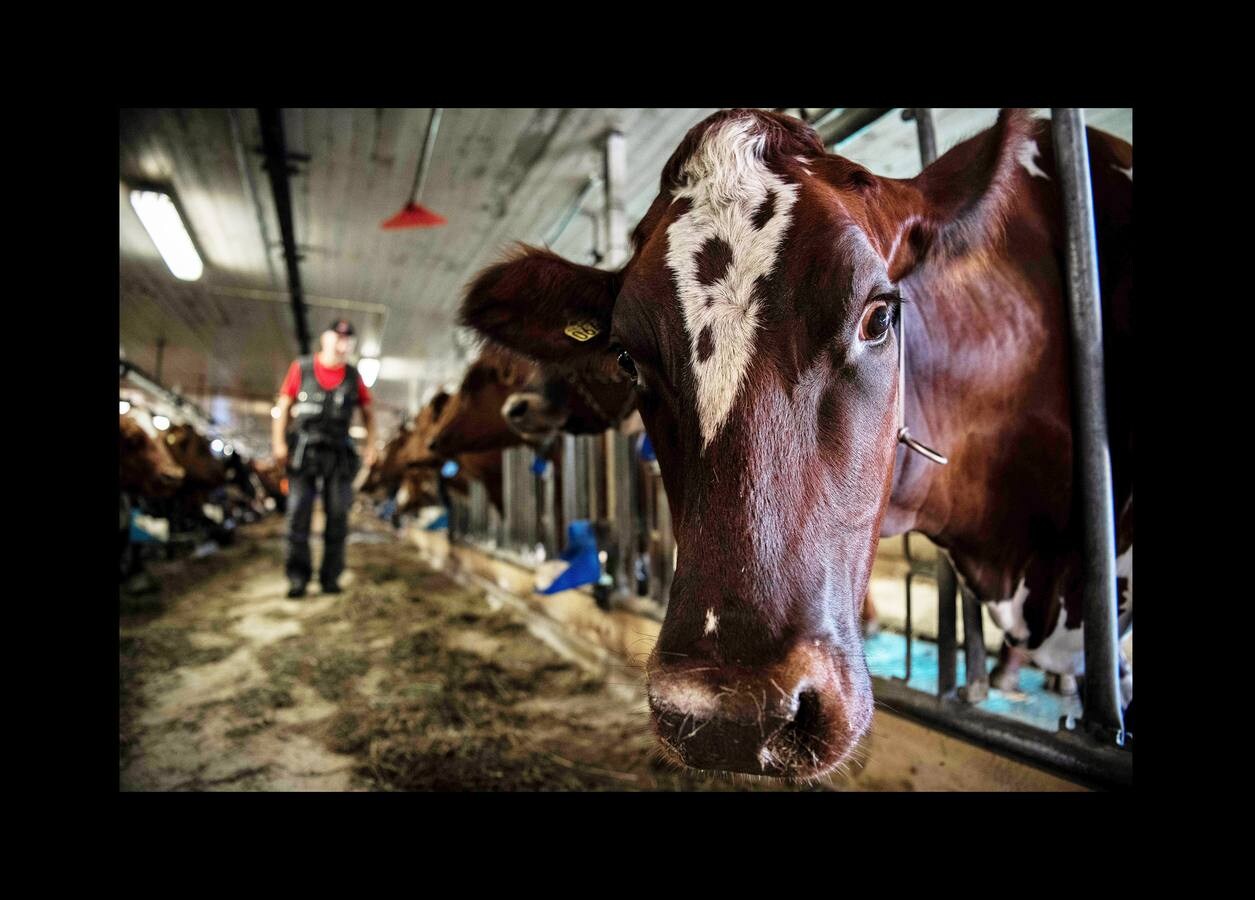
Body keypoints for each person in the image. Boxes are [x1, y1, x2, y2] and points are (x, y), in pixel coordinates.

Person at [272, 319, 377, 597]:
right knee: (298, 515)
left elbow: (368, 412)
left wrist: (371, 444)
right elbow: (283, 406)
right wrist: (279, 442)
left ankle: (330, 578)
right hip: (303, 452)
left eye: (348, 341)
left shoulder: (354, 376)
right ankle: (298, 578)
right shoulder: (302, 368)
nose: (342, 345)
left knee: (338, 515)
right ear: (325, 339)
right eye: (337, 338)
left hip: (338, 453)